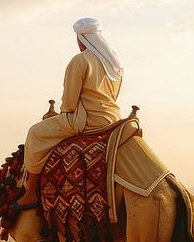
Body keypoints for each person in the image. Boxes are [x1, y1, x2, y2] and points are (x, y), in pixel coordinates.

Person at [18, 17, 123, 208]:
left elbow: (69, 103)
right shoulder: (114, 63)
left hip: (87, 120)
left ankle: (31, 191)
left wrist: (59, 114)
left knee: (35, 133)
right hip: (114, 118)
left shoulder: (80, 61)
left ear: (81, 39)